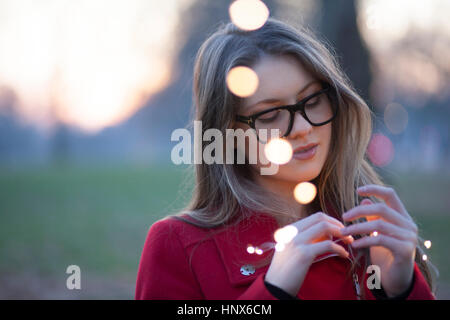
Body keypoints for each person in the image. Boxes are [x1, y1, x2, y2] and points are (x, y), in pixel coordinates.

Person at [135, 17, 436, 300]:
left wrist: (401, 288)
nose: (304, 129)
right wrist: (273, 291)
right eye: (270, 114)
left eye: (313, 100)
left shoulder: (370, 233)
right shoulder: (179, 245)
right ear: (227, 133)